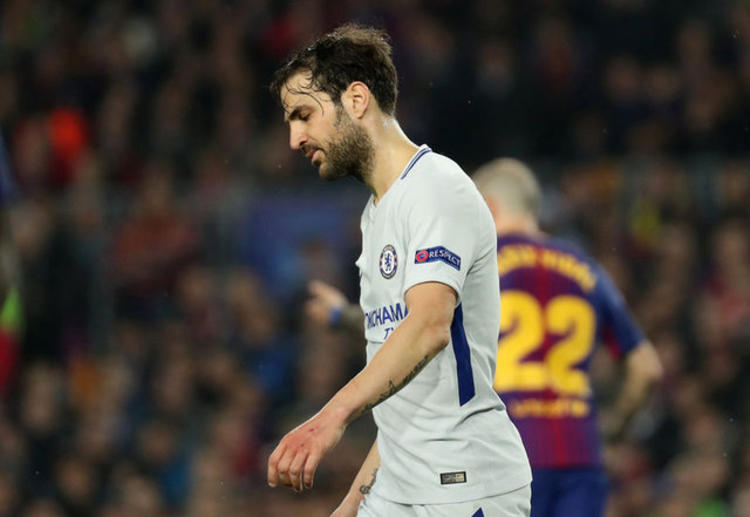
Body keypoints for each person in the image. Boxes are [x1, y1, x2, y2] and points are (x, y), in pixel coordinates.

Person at [267, 24, 532, 517]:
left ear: (356, 99)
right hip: (400, 487)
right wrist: (351, 505)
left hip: (462, 488)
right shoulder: (376, 214)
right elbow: (402, 396)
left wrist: (330, 418)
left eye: (303, 115)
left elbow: (430, 326)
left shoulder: (435, 187)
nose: (294, 138)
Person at [307, 158, 664, 517]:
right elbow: (646, 368)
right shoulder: (586, 269)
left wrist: (341, 316)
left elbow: (419, 328)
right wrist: (612, 429)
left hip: (502, 454)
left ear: (488, 207)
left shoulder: (478, 263)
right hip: (580, 455)